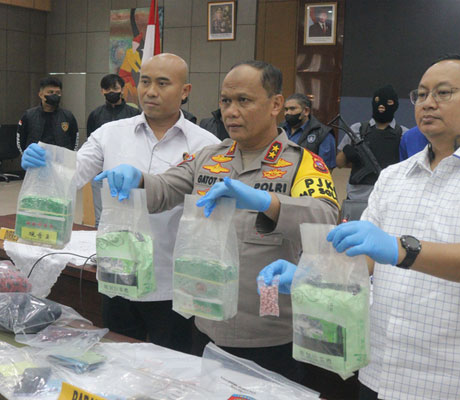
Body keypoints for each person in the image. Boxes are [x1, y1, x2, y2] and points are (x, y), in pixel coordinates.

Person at [260, 54, 460, 400]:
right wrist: (310, 277)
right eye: (421, 94)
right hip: (379, 371)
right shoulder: (395, 176)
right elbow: (361, 262)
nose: (427, 103)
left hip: (452, 381)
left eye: (443, 93)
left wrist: (400, 249)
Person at [93, 60, 340, 381]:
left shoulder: (302, 163)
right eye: (225, 101)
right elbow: (164, 188)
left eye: (244, 101)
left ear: (276, 104)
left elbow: (326, 219)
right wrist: (136, 178)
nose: (231, 112)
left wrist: (268, 202)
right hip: (207, 324)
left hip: (269, 334)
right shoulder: (210, 158)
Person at [22, 54, 220, 353]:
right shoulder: (110, 134)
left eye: (162, 83)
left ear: (185, 91)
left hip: (172, 282)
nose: (150, 91)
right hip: (118, 274)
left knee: (173, 365)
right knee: (118, 358)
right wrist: (46, 164)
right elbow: (73, 174)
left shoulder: (205, 145)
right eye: (145, 82)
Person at [336, 85, 407, 201]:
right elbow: (339, 163)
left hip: (388, 196)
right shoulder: (357, 129)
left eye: (388, 102)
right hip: (357, 196)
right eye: (378, 101)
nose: (382, 106)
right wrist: (346, 152)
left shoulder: (403, 134)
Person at [86, 74, 141, 227]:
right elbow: (90, 144)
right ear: (102, 91)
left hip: (127, 171)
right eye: (107, 89)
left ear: (122, 89)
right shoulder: (95, 115)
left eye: (115, 88)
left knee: (128, 214)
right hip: (100, 172)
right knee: (101, 216)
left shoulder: (134, 114)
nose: (111, 92)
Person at [16, 76, 79, 153]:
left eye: (58, 93)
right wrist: (27, 156)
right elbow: (21, 141)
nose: (54, 95)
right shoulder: (29, 116)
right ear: (41, 95)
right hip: (36, 159)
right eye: (50, 92)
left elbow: (74, 141)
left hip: (60, 159)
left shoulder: (68, 116)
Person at [280, 93, 336, 170]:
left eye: (292, 109)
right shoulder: (279, 130)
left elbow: (326, 168)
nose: (288, 113)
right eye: (286, 109)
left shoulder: (323, 133)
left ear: (306, 111)